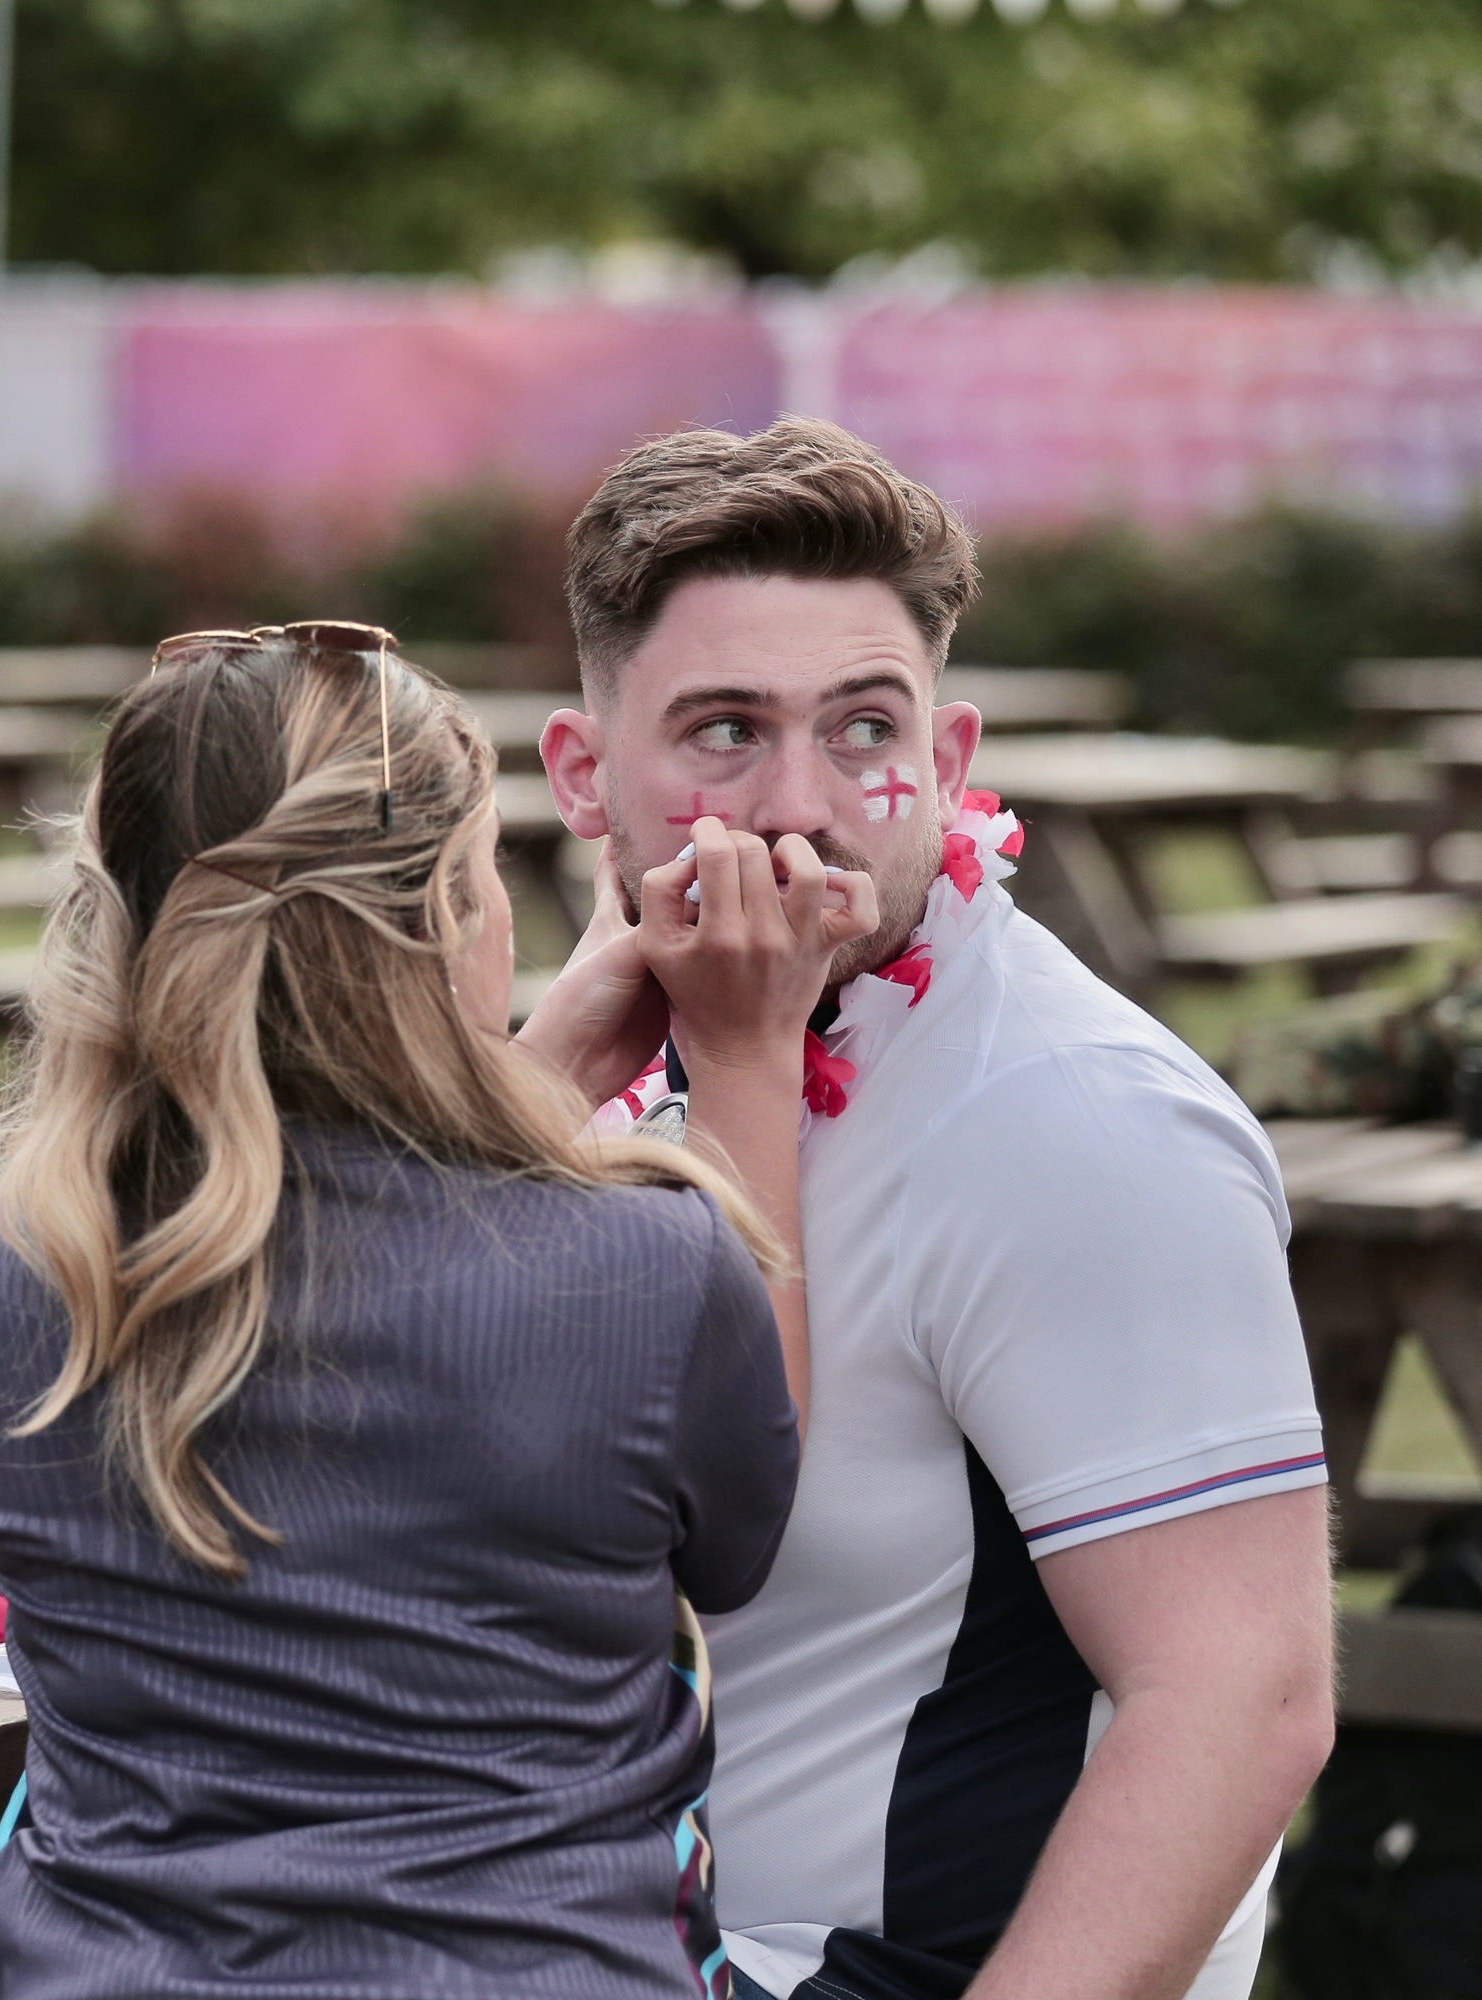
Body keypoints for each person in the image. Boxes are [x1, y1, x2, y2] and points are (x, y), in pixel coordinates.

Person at [0, 623, 846, 1998]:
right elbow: (746, 1540)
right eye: (485, 875)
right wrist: (750, 1059)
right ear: (437, 927)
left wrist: (540, 1073)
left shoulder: (1, 1275)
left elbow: (330, 1262)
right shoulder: (646, 1267)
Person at [535, 418, 1339, 2000]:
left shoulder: (1083, 1120)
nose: (801, 805)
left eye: (862, 730)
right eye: (720, 731)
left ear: (952, 763)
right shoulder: (672, 1031)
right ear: (583, 775)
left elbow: (1241, 1698)